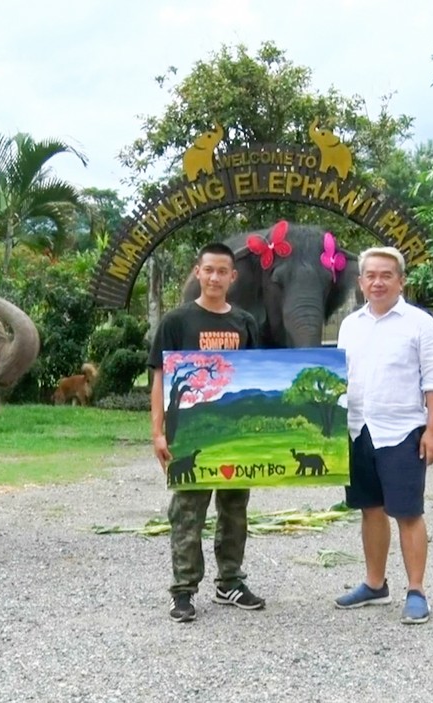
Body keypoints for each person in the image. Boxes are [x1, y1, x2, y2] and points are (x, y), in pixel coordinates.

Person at [333, 246, 433, 625]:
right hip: (358, 429)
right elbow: (340, 377)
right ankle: (374, 583)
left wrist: (432, 430)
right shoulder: (350, 325)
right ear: (360, 282)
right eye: (371, 275)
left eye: (387, 275)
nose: (378, 282)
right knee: (370, 509)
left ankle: (416, 590)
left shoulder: (420, 324)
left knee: (408, 512)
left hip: (402, 431)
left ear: (401, 280)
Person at [149, 242, 264, 623]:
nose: (215, 277)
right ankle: (183, 590)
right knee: (187, 511)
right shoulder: (177, 322)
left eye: (222, 271)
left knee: (235, 508)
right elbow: (160, 378)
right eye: (208, 270)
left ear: (233, 277)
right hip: (189, 434)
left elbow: (254, 378)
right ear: (197, 272)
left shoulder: (245, 323)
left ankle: (230, 581)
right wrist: (158, 433)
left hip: (235, 434)